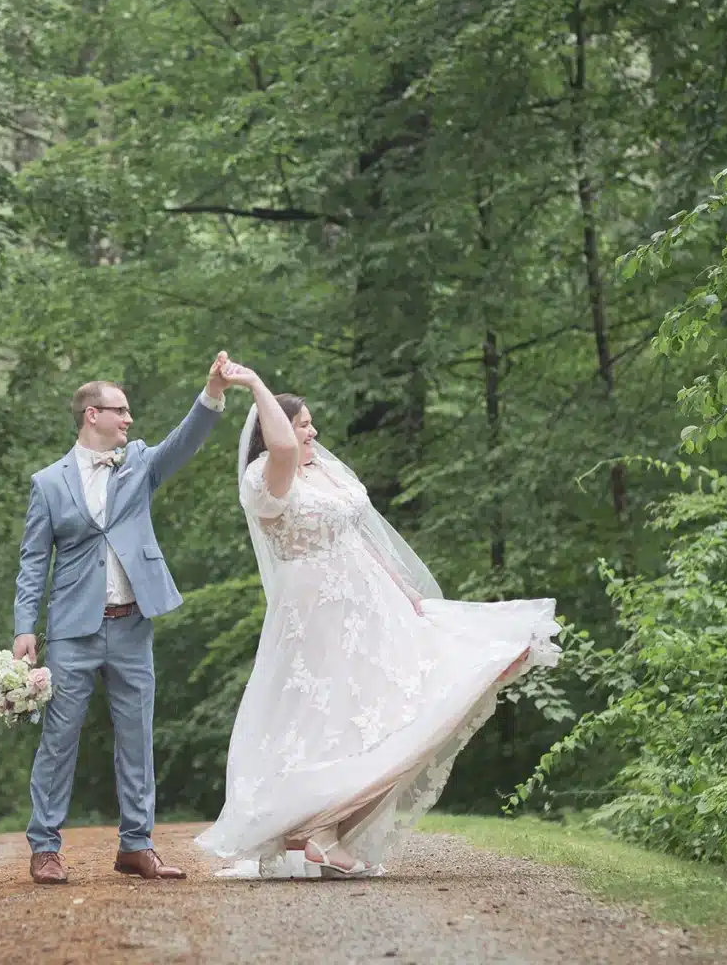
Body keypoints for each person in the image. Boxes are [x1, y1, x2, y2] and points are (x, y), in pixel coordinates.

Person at [194, 364, 561, 878]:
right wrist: (255, 386)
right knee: (335, 714)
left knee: (387, 704)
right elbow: (281, 449)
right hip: (318, 608)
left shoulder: (322, 469)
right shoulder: (266, 480)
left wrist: (404, 588)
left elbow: (358, 535)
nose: (312, 433)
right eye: (303, 425)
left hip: (371, 602)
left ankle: (328, 833)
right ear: (276, 427)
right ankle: (322, 831)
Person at [13, 352, 240, 884]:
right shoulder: (48, 484)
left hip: (133, 623)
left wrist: (211, 393)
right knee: (58, 740)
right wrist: (26, 627)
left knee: (137, 737)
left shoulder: (138, 463)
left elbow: (184, 440)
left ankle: (136, 845)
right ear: (92, 414)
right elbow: (32, 561)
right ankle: (45, 846)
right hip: (72, 630)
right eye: (121, 410)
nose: (129, 420)